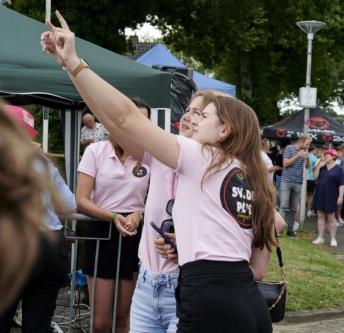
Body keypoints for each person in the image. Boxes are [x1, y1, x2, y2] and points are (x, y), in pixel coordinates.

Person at [41, 14, 279, 332]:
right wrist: (70, 68)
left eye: (203, 114)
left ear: (224, 130)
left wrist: (75, 61)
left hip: (207, 297)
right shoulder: (247, 174)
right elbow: (114, 123)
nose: (192, 117)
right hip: (241, 298)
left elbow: (126, 118)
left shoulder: (202, 155)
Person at [0, 105, 76, 332]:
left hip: (17, 243)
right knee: (38, 324)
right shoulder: (44, 163)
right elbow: (70, 204)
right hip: (52, 246)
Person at [76, 102, 151, 333]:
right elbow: (81, 200)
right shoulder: (95, 151)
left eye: (143, 120)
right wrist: (113, 216)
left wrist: (140, 212)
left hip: (135, 236)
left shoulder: (151, 156)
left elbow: (161, 199)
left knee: (123, 317)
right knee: (100, 323)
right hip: (102, 233)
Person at [311, 149, 344, 246]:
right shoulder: (322, 167)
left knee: (331, 217)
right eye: (325, 155)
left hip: (331, 195)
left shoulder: (338, 169)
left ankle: (333, 239)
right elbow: (315, 178)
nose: (325, 156)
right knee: (320, 216)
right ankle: (320, 237)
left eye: (327, 155)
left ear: (333, 156)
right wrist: (319, 165)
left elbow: (342, 184)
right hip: (320, 194)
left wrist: (341, 196)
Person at [279, 133, 310, 237]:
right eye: (307, 144)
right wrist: (297, 156)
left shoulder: (305, 151)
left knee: (293, 208)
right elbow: (285, 164)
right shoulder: (289, 148)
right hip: (287, 181)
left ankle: (290, 230)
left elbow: (307, 167)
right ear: (301, 141)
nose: (308, 146)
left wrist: (307, 158)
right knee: (283, 206)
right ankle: (279, 230)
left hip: (298, 182)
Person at [306, 145, 321, 217]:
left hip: (305, 178)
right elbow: (316, 169)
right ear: (314, 150)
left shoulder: (306, 156)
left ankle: (302, 209)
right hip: (311, 179)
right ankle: (308, 210)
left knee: (304, 195)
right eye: (316, 150)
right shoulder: (315, 159)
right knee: (310, 195)